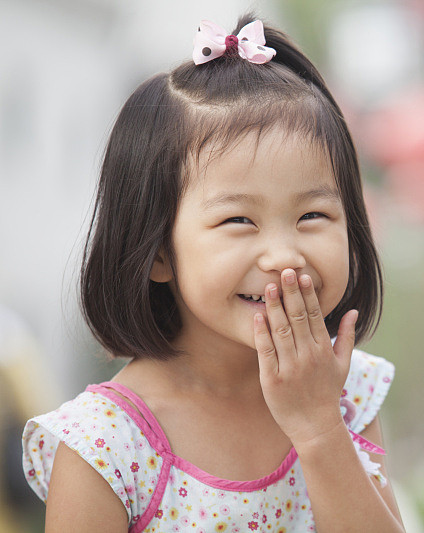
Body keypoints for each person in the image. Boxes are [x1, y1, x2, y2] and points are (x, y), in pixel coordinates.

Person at [21, 14, 404, 532]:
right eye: (238, 220)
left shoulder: (344, 392)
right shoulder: (106, 444)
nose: (284, 255)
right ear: (156, 251)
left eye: (313, 215)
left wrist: (318, 428)